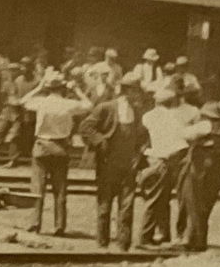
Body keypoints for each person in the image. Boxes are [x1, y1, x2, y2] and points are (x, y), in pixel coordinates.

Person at [137, 80, 210, 247]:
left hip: (155, 158)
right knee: (168, 198)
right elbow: (184, 134)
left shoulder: (147, 116)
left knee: (158, 199)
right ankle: (145, 237)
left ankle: (161, 234)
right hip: (171, 158)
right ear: (171, 102)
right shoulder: (173, 117)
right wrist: (204, 127)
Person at [19, 69, 92, 235]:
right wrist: (77, 90)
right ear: (62, 88)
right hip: (61, 147)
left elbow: (22, 101)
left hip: (42, 145)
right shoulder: (68, 104)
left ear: (48, 88)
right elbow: (89, 105)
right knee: (60, 190)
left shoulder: (41, 102)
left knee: (37, 188)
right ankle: (59, 225)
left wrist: (39, 87)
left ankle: (35, 223)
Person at [78, 83, 147, 250]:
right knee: (104, 205)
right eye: (133, 90)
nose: (136, 94)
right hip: (108, 164)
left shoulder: (137, 113)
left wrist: (138, 155)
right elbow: (85, 127)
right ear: (125, 91)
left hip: (128, 166)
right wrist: (101, 141)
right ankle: (102, 243)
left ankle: (123, 245)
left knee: (127, 206)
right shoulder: (105, 108)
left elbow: (143, 137)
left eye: (138, 91)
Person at [181, 100, 220, 251]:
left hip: (198, 171)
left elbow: (184, 134)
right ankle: (196, 238)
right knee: (205, 207)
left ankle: (194, 238)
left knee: (193, 205)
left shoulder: (203, 128)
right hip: (216, 174)